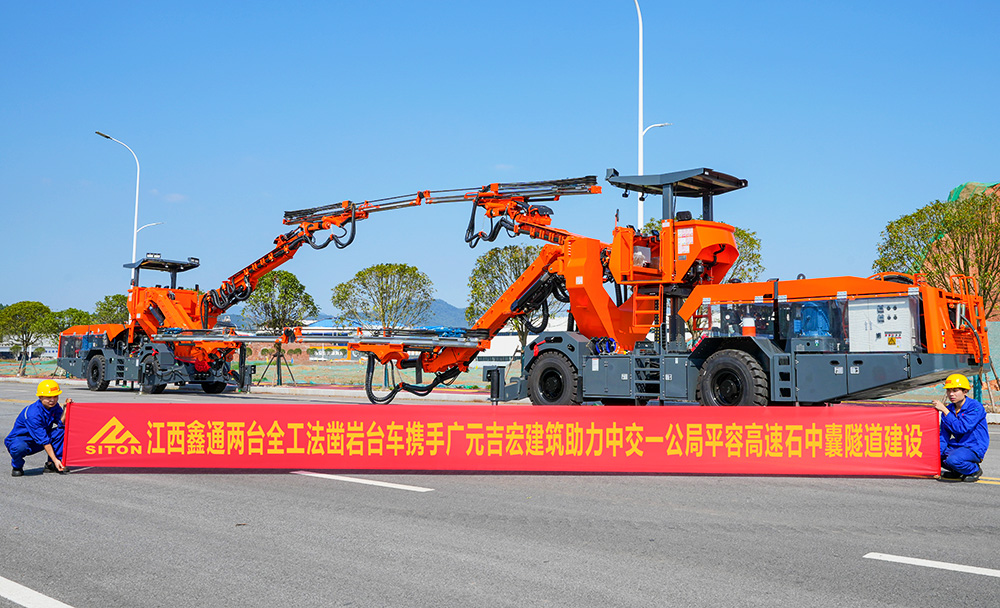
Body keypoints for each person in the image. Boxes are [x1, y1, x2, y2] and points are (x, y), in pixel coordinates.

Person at [4, 379, 73, 477]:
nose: (52, 400)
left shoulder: (54, 406)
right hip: (22, 440)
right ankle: (17, 466)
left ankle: (51, 465)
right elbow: (44, 440)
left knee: (62, 431)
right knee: (18, 448)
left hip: (39, 439)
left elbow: (60, 424)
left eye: (55, 396)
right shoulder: (33, 414)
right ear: (40, 397)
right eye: (48, 397)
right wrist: (55, 459)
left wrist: (66, 409)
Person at [932, 374, 989, 482]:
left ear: (965, 391)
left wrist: (945, 411)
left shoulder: (975, 407)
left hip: (973, 447)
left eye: (955, 390)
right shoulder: (949, 409)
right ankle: (957, 471)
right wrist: (936, 456)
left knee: (953, 460)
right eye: (949, 390)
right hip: (958, 446)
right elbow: (944, 436)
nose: (951, 394)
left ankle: (974, 470)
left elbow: (962, 428)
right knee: (934, 456)